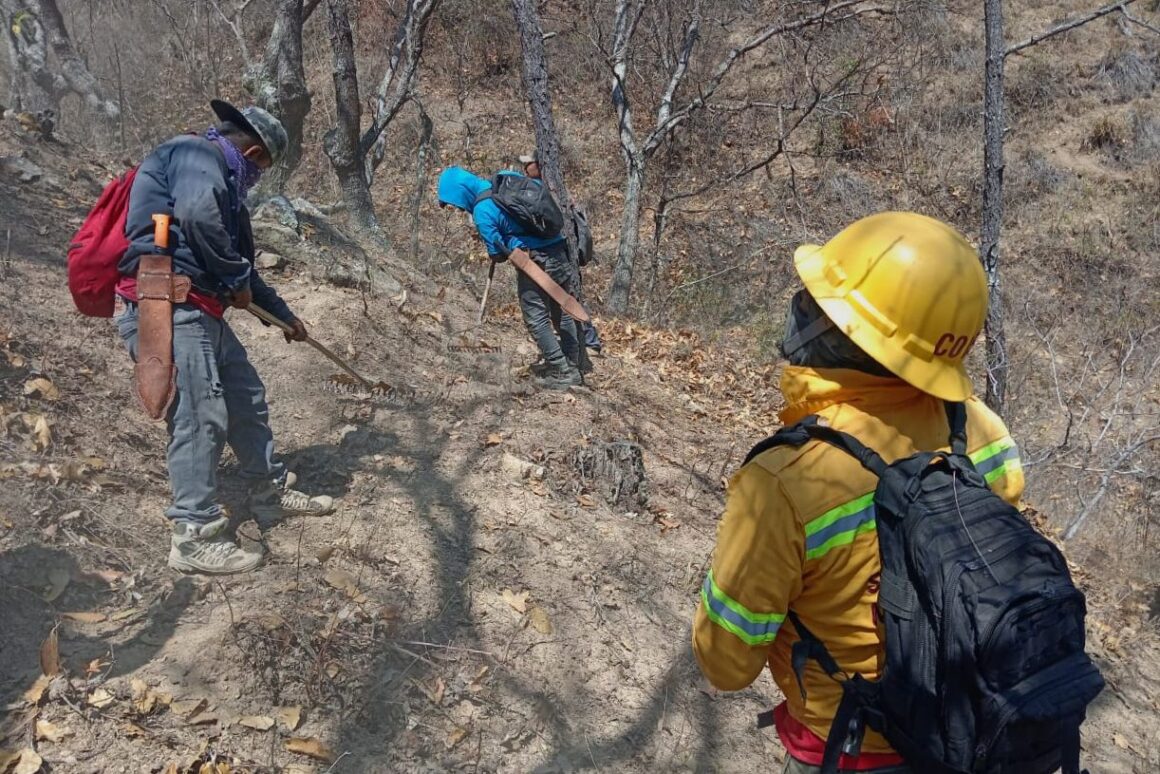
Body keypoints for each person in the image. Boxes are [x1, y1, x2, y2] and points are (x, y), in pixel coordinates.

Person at [692, 212, 1025, 774]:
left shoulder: (785, 480)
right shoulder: (982, 429)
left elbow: (726, 664)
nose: (800, 305)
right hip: (972, 732)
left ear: (850, 334)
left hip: (849, 748)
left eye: (814, 300)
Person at [115, 99, 334, 575]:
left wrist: (285, 316)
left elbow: (244, 270)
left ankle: (267, 490)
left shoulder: (221, 180)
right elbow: (197, 218)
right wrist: (235, 279)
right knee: (199, 416)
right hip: (169, 306)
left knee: (245, 397)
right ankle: (193, 535)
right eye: (262, 169)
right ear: (253, 154)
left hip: (203, 309)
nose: (257, 180)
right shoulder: (197, 156)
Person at [437, 165, 584, 389]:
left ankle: (561, 370)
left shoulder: (482, 211)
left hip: (535, 262)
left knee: (537, 318)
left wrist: (500, 244)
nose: (458, 209)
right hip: (559, 249)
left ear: (461, 193)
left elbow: (497, 254)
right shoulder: (507, 178)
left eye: (455, 204)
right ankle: (572, 364)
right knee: (562, 309)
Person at [517, 152, 603, 355]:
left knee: (570, 298)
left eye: (528, 164)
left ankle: (589, 342)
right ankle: (581, 341)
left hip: (562, 254)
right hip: (556, 255)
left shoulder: (551, 191)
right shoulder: (539, 189)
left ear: (538, 165)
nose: (525, 168)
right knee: (563, 299)